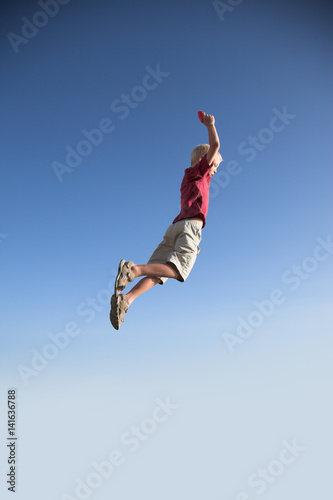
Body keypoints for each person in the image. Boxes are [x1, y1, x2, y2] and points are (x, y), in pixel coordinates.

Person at [110, 111, 222, 330]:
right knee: (179, 271)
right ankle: (133, 270)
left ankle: (126, 300)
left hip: (175, 227)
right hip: (189, 228)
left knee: (158, 271)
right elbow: (215, 145)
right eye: (215, 165)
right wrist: (210, 125)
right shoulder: (200, 172)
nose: (215, 170)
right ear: (204, 161)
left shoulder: (187, 177)